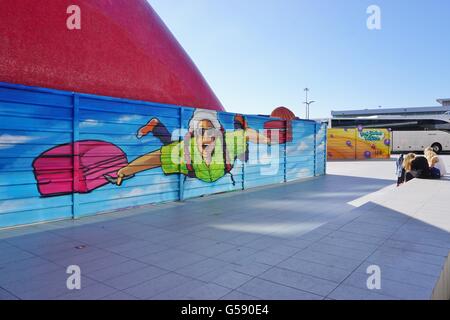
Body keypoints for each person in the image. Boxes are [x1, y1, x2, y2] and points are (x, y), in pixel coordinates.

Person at [105, 109, 277, 186]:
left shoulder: (228, 141)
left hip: (224, 166)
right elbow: (154, 158)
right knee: (171, 147)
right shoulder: (184, 148)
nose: (207, 135)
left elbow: (247, 135)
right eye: (201, 131)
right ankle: (157, 126)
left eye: (211, 130)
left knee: (243, 152)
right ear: (194, 135)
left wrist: (267, 140)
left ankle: (239, 123)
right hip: (192, 166)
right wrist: (124, 172)